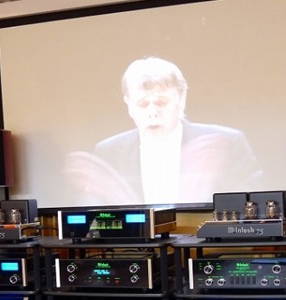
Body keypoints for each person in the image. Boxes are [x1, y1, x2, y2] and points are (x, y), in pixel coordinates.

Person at [63, 56, 260, 205]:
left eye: (161, 102)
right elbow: (94, 215)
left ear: (181, 99)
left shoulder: (228, 143)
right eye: (142, 104)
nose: (152, 112)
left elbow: (251, 207)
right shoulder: (108, 151)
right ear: (128, 105)